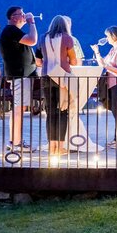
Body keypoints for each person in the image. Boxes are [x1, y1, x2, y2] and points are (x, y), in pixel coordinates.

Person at [0, 6, 38, 153]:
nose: (23, 16)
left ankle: (14, 140)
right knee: (19, 108)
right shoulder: (11, 30)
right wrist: (32, 22)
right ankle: (17, 143)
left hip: (19, 74)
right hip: (20, 74)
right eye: (21, 14)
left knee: (18, 107)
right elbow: (32, 40)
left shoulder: (13, 31)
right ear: (13, 17)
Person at [38, 15, 78, 155]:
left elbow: (38, 61)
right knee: (62, 111)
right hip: (62, 78)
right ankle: (60, 147)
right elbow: (74, 61)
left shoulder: (43, 38)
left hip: (46, 77)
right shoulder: (67, 38)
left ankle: (51, 147)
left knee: (50, 113)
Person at [91, 26, 117, 149]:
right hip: (112, 83)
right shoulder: (114, 49)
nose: (106, 38)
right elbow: (102, 63)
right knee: (115, 111)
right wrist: (97, 52)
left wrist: (107, 66)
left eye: (107, 36)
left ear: (113, 36)